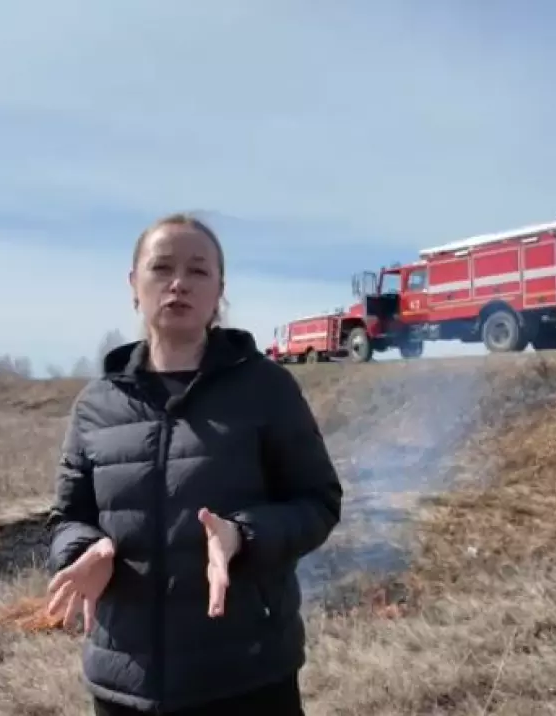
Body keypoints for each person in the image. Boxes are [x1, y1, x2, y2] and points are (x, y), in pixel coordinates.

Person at [42, 213, 343, 715]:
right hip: (124, 683)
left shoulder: (266, 388)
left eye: (198, 271)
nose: (178, 283)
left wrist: (241, 536)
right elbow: (66, 516)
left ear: (219, 291)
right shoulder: (96, 404)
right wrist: (84, 550)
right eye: (161, 268)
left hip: (246, 675)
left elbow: (317, 501)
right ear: (134, 285)